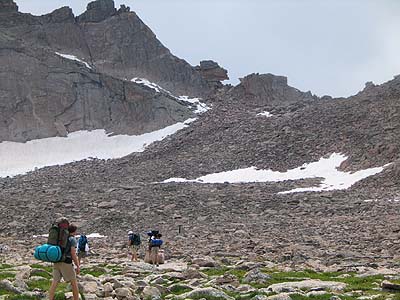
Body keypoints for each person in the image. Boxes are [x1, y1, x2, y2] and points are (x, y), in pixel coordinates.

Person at [49, 224, 80, 300]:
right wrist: (77, 265)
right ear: (74, 231)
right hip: (66, 263)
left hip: (57, 261)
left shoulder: (60, 238)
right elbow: (73, 253)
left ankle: (50, 298)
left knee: (55, 282)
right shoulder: (72, 239)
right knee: (74, 283)